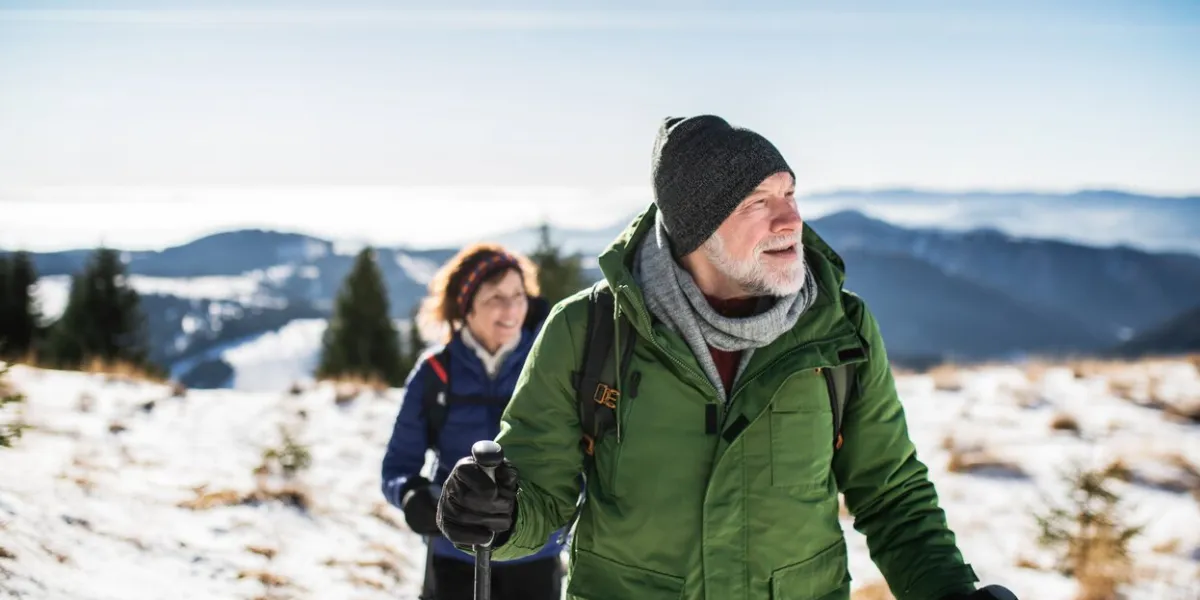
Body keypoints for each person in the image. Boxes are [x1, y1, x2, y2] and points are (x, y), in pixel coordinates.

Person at [433, 116, 1019, 600]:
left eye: (790, 193)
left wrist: (952, 593)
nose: (791, 219)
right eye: (757, 202)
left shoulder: (840, 329)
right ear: (697, 230)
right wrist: (498, 516)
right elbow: (541, 496)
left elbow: (891, 495)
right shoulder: (588, 331)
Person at [380, 243, 566, 600]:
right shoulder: (436, 373)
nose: (511, 308)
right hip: (454, 556)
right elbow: (397, 467)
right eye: (495, 297)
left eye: (518, 294)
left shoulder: (551, 365)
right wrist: (412, 495)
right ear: (466, 306)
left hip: (535, 555)